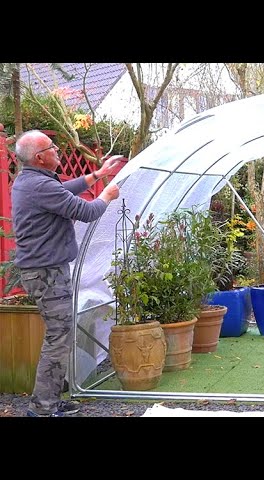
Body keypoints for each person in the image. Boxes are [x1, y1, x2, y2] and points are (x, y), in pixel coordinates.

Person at [12, 130, 121, 417]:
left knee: (58, 334)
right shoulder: (40, 186)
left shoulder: (33, 181)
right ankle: (43, 407)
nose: (58, 150)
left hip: (45, 271)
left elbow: (65, 190)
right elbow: (86, 211)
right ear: (40, 157)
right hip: (46, 274)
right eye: (52, 147)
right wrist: (107, 195)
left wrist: (96, 175)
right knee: (58, 336)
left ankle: (49, 400)